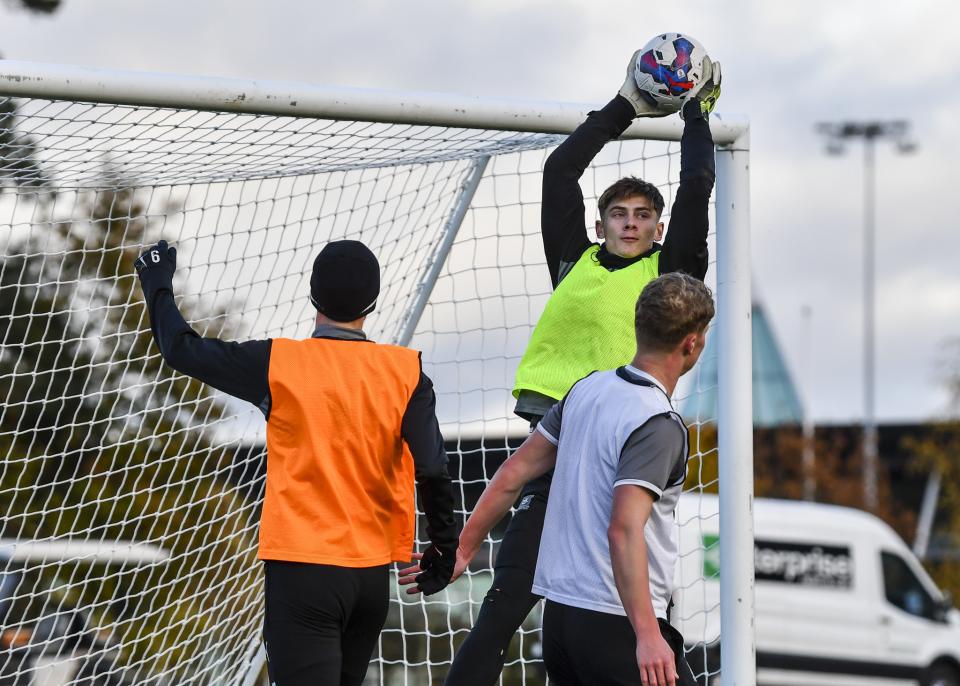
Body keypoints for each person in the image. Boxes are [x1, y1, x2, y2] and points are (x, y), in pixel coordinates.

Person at [439, 50, 721, 684]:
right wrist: (626, 105)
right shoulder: (575, 260)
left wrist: (698, 114)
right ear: (600, 223)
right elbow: (560, 169)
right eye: (619, 214)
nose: (630, 223)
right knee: (503, 609)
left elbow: (698, 186)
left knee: (618, 582)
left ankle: (647, 639)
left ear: (658, 228)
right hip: (560, 437)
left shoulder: (671, 276)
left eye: (642, 216)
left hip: (621, 446)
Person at [134, 239, 458, 686]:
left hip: (303, 576)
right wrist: (444, 547)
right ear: (373, 302)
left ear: (312, 295)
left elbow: (181, 350)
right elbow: (433, 468)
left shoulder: (278, 363)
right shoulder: (406, 372)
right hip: (369, 582)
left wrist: (156, 281)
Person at [418, 272, 715, 686]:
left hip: (559, 622)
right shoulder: (658, 423)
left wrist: (464, 548)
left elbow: (513, 472)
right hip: (617, 624)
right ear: (692, 343)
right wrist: (648, 634)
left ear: (638, 326)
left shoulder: (585, 391)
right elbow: (623, 529)